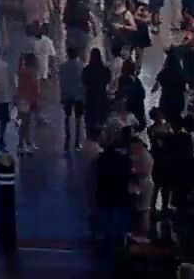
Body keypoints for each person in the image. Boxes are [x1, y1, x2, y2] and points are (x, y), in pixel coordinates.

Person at [93, 129, 134, 260]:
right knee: (120, 227)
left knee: (108, 225)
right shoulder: (126, 160)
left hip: (105, 197)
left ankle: (109, 250)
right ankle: (120, 252)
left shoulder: (101, 160)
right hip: (121, 197)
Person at [58, 48, 86, 151]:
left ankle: (67, 138)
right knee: (78, 119)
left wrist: (62, 94)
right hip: (78, 95)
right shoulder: (82, 66)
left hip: (67, 95)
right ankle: (77, 141)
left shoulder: (62, 67)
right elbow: (84, 82)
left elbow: (61, 81)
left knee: (67, 117)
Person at [15, 52, 42, 155]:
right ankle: (21, 144)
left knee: (27, 123)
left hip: (26, 100)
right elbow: (30, 88)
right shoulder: (28, 73)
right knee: (25, 124)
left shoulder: (25, 72)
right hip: (26, 100)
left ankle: (27, 142)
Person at [82, 48, 112, 140]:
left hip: (90, 100)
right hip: (102, 99)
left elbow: (84, 82)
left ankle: (91, 147)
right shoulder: (105, 70)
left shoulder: (86, 70)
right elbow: (108, 81)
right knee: (101, 126)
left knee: (90, 127)